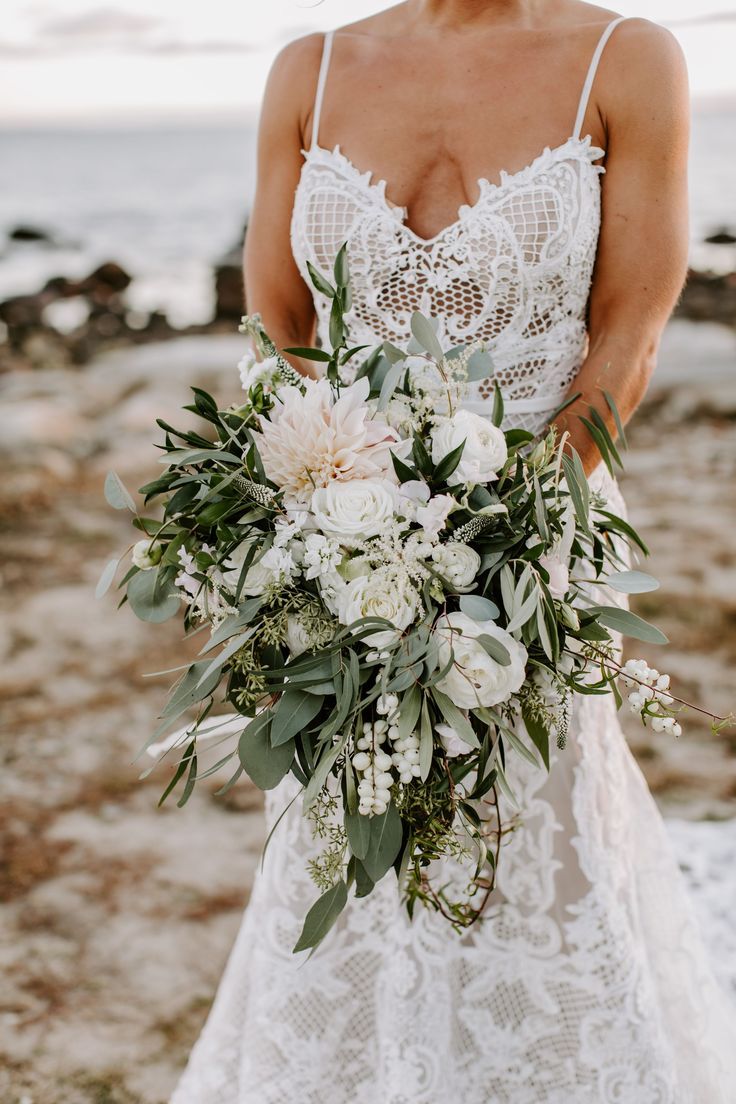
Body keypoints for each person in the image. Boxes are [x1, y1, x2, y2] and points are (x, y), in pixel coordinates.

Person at [170, 3, 736, 1101]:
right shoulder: (311, 67)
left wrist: (504, 535)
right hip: (340, 540)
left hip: (537, 540)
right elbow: (280, 318)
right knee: (351, 814)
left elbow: (628, 328)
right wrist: (330, 516)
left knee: (536, 823)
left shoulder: (626, 59)